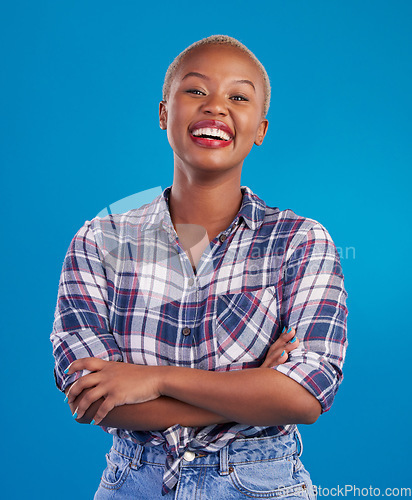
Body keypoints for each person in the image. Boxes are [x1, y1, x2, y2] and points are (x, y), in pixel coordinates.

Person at [51, 35, 348, 499]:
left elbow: (305, 398)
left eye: (238, 96)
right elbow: (95, 399)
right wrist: (253, 392)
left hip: (260, 482)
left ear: (260, 128)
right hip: (133, 483)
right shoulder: (99, 241)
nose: (216, 108)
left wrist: (154, 379)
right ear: (165, 113)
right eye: (195, 91)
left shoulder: (300, 242)